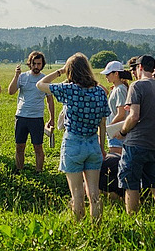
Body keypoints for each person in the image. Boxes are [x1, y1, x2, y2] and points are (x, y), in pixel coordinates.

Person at [36, 53, 110, 221]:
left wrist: (60, 72)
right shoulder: (100, 91)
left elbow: (41, 84)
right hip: (93, 144)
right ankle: (96, 228)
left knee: (77, 194)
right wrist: (101, 147)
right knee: (94, 193)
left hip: (73, 143)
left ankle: (78, 227)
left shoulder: (70, 89)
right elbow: (103, 124)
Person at [114, 55, 155, 214]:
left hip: (135, 143)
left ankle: (132, 220)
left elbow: (134, 116)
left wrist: (123, 131)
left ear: (140, 67)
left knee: (130, 184)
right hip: (154, 143)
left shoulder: (137, 86)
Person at [8, 51, 55, 172]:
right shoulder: (22, 77)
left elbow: (50, 99)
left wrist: (52, 118)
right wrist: (16, 76)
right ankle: (20, 170)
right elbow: (11, 91)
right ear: (30, 64)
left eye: (39, 64)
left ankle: (39, 171)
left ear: (42, 64)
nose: (36, 67)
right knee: (19, 146)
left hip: (37, 118)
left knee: (38, 147)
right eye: (34, 64)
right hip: (21, 116)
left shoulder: (44, 79)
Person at [99, 61, 132, 200]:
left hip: (115, 132)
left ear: (116, 74)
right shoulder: (118, 88)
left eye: (108, 74)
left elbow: (121, 114)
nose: (106, 76)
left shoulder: (120, 90)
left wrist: (108, 128)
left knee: (115, 165)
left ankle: (118, 192)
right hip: (114, 131)